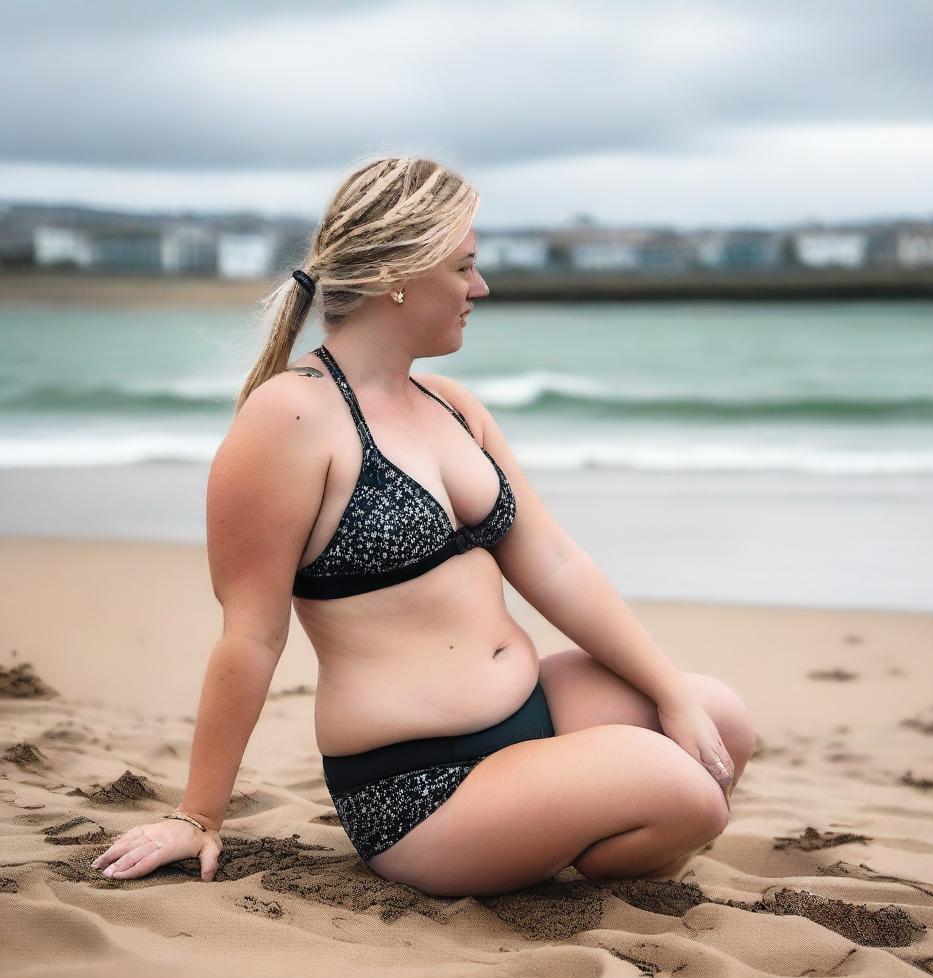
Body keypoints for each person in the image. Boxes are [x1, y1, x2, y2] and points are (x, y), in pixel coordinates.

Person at [91, 156, 756, 898]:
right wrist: (197, 816)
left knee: (720, 722)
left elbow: (555, 564)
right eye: (465, 267)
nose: (481, 289)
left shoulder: (452, 405)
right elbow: (251, 635)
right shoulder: (290, 419)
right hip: (420, 786)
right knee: (685, 791)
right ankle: (568, 838)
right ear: (399, 274)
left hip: (529, 710)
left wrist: (671, 693)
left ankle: (569, 816)